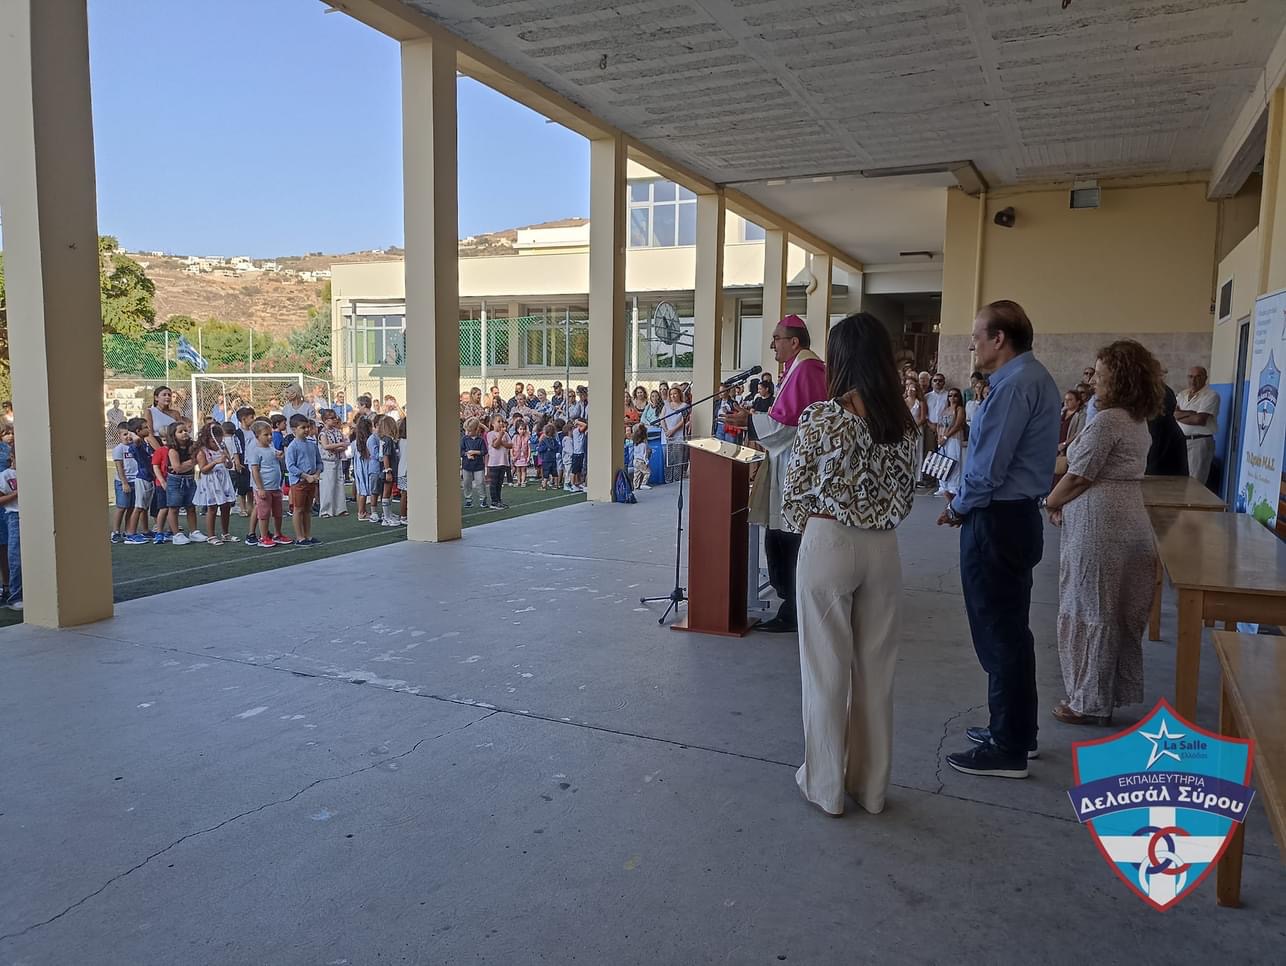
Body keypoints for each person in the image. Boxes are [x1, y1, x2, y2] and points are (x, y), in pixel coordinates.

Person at [782, 313, 917, 816]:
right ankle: (872, 788)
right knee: (877, 673)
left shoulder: (822, 417)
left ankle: (826, 788)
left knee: (825, 671)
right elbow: (908, 493)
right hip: (884, 547)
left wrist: (814, 524)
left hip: (830, 541)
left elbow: (794, 493)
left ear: (840, 360)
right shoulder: (903, 423)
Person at [938, 300, 1060, 779]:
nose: (973, 345)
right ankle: (1016, 731)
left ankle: (1008, 747)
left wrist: (958, 507)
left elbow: (988, 468)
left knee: (998, 632)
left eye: (977, 336)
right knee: (1011, 629)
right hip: (1014, 517)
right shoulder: (1031, 378)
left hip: (998, 520)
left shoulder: (1013, 387)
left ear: (999, 339)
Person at [1044, 340, 1162, 726]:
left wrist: (1050, 502)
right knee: (1112, 612)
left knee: (1091, 609)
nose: (1093, 382)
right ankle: (1103, 696)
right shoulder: (1135, 419)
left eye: (1100, 375)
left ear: (1120, 379)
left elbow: (1079, 475)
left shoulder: (1109, 420)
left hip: (1101, 527)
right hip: (1127, 520)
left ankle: (1088, 702)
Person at [724, 314, 828, 634]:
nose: (772, 345)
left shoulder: (806, 369)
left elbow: (788, 426)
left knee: (787, 536)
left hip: (795, 467)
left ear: (794, 342)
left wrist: (749, 422)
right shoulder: (799, 368)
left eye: (776, 339)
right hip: (787, 462)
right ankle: (790, 602)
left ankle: (793, 608)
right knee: (778, 534)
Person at [1175, 365, 1220, 487]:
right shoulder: (1182, 394)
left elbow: (1199, 419)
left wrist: (1179, 415)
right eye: (1190, 376)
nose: (1193, 380)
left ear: (1205, 378)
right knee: (1180, 480)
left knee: (1195, 482)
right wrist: (1191, 413)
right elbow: (1172, 414)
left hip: (1199, 442)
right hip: (1182, 441)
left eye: (1198, 376)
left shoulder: (1211, 395)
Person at [195, 422, 237, 545]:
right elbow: (203, 469)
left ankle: (225, 533)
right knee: (212, 508)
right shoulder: (202, 452)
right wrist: (215, 462)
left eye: (219, 441)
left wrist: (227, 460)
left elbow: (229, 465)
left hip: (223, 480)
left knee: (226, 506)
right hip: (211, 482)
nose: (217, 444)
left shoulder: (222, 448)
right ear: (207, 439)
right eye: (214, 442)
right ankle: (211, 535)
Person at [165, 422, 205, 545]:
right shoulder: (173, 450)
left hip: (190, 479)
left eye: (185, 430)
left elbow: (199, 457)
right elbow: (178, 468)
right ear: (173, 435)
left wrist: (186, 464)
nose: (184, 433)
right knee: (174, 507)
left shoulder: (192, 446)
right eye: (180, 431)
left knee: (191, 507)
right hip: (175, 481)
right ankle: (176, 534)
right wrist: (194, 461)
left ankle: (194, 532)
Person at [286, 415, 322, 544]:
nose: (306, 430)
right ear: (294, 429)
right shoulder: (293, 446)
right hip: (299, 482)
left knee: (307, 509)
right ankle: (300, 537)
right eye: (303, 427)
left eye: (307, 427)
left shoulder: (312, 445)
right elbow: (291, 466)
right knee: (298, 509)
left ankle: (308, 535)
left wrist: (316, 473)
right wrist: (306, 476)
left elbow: (319, 462)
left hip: (311, 481)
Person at [249, 420, 285, 548]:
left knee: (278, 512)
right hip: (265, 487)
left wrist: (279, 455)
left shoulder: (271, 448)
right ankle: (263, 537)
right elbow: (255, 470)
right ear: (257, 436)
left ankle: (278, 534)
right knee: (264, 513)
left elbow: (276, 457)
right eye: (266, 435)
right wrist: (260, 488)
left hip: (275, 486)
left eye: (270, 434)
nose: (270, 437)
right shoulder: (256, 451)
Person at [1146, 382, 1189, 476]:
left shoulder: (1158, 425)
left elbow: (1152, 463)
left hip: (1163, 477)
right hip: (1169, 476)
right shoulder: (1167, 424)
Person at [934, 387, 967, 497]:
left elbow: (958, 425)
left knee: (954, 461)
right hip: (942, 439)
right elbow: (939, 425)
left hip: (953, 438)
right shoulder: (945, 409)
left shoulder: (959, 409)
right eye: (950, 395)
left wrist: (945, 437)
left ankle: (953, 487)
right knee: (941, 462)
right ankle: (943, 486)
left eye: (955, 395)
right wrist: (939, 437)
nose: (952, 397)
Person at [317, 409, 348, 517]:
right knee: (328, 485)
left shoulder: (337, 431)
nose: (335, 420)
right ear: (325, 420)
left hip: (337, 459)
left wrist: (339, 447)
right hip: (327, 462)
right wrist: (339, 445)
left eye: (335, 418)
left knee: (339, 484)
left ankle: (340, 508)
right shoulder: (323, 433)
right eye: (332, 418)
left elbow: (344, 444)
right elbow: (326, 446)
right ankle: (326, 510)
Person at [0, 440, 19, 610]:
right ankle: (15, 595)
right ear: (12, 457)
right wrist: (17, 494)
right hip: (13, 516)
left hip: (29, 515)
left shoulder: (30, 472)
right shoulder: (5, 475)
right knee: (15, 556)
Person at [110, 422, 135, 544]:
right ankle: (115, 532)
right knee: (122, 507)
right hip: (123, 482)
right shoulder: (119, 449)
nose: (128, 437)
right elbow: (120, 468)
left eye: (130, 434)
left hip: (135, 481)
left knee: (132, 507)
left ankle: (128, 531)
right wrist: (124, 483)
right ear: (119, 435)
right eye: (125, 434)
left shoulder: (135, 446)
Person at [660, 386, 689, 484]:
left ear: (679, 394)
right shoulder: (666, 405)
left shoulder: (684, 406)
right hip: (666, 436)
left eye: (675, 393)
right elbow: (662, 419)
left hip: (678, 435)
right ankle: (668, 479)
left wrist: (672, 430)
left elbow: (683, 421)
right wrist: (666, 431)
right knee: (667, 459)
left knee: (678, 458)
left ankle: (677, 479)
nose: (673, 396)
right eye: (671, 394)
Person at [376, 415, 401, 527]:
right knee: (386, 492)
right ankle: (386, 517)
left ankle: (388, 514)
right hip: (387, 470)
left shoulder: (386, 439)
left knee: (389, 492)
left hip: (387, 468)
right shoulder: (387, 440)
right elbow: (386, 456)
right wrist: (388, 471)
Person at [353, 417, 379, 520]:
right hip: (364, 467)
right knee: (363, 489)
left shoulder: (357, 441)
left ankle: (362, 511)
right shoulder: (368, 441)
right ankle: (361, 512)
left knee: (361, 489)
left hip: (359, 467)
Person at [485, 414, 512, 510]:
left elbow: (510, 445)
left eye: (502, 421)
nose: (501, 423)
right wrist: (500, 436)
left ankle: (499, 500)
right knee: (494, 483)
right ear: (493, 424)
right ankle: (494, 502)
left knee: (500, 483)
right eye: (498, 421)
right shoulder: (490, 434)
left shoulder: (506, 434)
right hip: (494, 463)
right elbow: (495, 445)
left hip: (503, 462)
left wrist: (502, 442)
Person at [461, 418, 488, 508]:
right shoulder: (464, 439)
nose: (467, 433)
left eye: (469, 431)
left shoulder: (480, 440)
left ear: (476, 430)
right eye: (466, 431)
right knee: (466, 483)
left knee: (480, 482)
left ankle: (483, 499)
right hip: (466, 466)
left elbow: (484, 451)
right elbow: (461, 451)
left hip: (478, 466)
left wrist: (475, 452)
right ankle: (468, 499)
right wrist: (467, 454)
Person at [904, 375, 926, 476]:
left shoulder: (920, 402)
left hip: (917, 429)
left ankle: (917, 476)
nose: (910, 391)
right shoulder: (903, 401)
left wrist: (914, 427)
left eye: (913, 389)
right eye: (908, 388)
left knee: (917, 451)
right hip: (906, 429)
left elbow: (923, 418)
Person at [537, 423, 560, 492]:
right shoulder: (554, 440)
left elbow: (540, 449)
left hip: (546, 459)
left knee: (546, 473)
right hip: (553, 458)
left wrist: (545, 448)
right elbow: (557, 447)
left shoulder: (544, 440)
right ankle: (556, 485)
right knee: (554, 472)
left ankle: (544, 486)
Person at [631, 422, 652, 491]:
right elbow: (644, 454)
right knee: (647, 472)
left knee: (636, 474)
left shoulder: (635, 444)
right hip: (641, 461)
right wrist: (647, 461)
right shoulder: (644, 445)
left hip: (635, 461)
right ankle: (643, 483)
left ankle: (635, 486)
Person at [570, 418, 588, 492]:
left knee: (578, 470)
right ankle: (572, 484)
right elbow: (585, 425)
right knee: (574, 470)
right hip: (577, 453)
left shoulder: (581, 431)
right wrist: (577, 421)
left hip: (581, 453)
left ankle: (578, 483)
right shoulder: (576, 430)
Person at [512, 420, 532, 487]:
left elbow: (529, 448)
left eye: (524, 429)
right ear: (517, 429)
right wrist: (512, 456)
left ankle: (523, 481)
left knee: (523, 470)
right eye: (520, 429)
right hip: (517, 456)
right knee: (518, 469)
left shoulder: (527, 438)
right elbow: (512, 447)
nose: (522, 431)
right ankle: (518, 481)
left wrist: (529, 456)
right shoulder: (515, 437)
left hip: (524, 457)